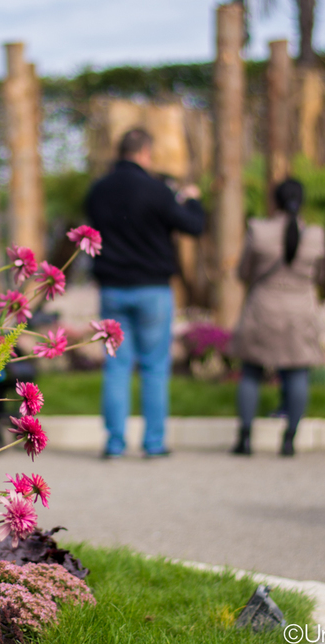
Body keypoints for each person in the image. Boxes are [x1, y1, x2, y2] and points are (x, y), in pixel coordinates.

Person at [84, 128, 206, 459]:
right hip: (152, 289)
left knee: (116, 367)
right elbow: (194, 226)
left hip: (111, 288)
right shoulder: (157, 190)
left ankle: (114, 442)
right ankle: (153, 443)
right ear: (145, 153)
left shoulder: (98, 191)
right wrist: (192, 198)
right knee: (154, 366)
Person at [229, 178, 325, 457]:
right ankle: (289, 440)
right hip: (300, 310)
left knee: (251, 372)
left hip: (264, 308)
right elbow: (319, 275)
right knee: (297, 373)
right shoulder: (316, 236)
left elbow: (243, 272)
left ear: (275, 201)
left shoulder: (258, 231)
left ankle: (245, 439)